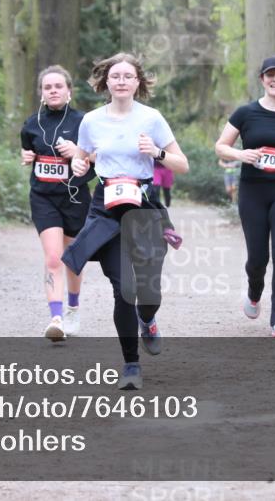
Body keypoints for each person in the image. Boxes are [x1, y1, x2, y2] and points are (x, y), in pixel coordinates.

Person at [61, 53, 189, 390]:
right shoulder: (91, 121)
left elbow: (182, 164)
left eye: (127, 76)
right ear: (106, 82)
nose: (121, 81)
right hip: (106, 207)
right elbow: (81, 158)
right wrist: (78, 165)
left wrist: (157, 153)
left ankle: (148, 319)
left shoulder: (152, 118)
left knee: (148, 290)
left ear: (137, 82)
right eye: (115, 76)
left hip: (143, 205)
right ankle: (131, 364)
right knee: (123, 289)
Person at [214, 56, 275, 337]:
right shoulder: (245, 113)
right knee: (257, 258)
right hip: (252, 191)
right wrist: (240, 154)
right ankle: (254, 292)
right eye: (270, 75)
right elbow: (220, 146)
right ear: (262, 80)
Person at [20, 65, 93, 341]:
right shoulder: (31, 124)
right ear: (41, 93)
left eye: (58, 86)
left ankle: (73, 308)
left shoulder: (84, 122)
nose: (53, 91)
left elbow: (100, 157)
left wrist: (78, 153)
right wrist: (27, 157)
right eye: (47, 87)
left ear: (69, 91)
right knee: (53, 258)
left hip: (75, 197)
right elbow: (28, 150)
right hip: (43, 198)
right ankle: (56, 318)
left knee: (73, 259)